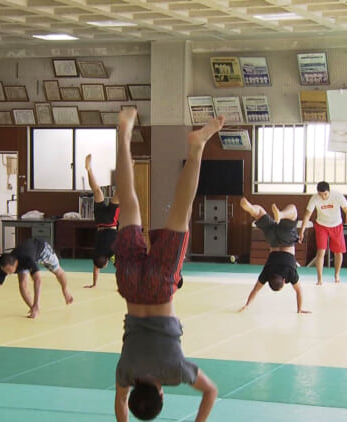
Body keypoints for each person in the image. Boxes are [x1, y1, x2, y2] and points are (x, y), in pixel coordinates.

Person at [113, 109, 219, 422]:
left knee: (180, 211)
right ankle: (123, 134)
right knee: (129, 202)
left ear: (162, 393)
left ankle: (197, 147)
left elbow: (210, 392)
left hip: (160, 289)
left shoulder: (175, 373)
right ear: (135, 391)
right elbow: (120, 405)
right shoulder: (125, 374)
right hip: (130, 286)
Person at [238, 198, 310, 314]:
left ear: (284, 280)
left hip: (286, 240)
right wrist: (247, 304)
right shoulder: (267, 273)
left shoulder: (290, 273)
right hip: (272, 239)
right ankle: (252, 209)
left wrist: (299, 309)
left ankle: (281, 215)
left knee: (294, 210)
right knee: (260, 213)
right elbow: (255, 290)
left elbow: (298, 291)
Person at [0, 237, 73, 319]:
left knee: (57, 271)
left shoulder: (27, 259)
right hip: (26, 255)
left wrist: (37, 303)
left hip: (42, 249)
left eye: (9, 271)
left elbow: (38, 280)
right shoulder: (5, 266)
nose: (8, 274)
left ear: (15, 264)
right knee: (22, 284)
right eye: (6, 271)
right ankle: (33, 309)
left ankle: (65, 290)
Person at [298, 181, 347, 285]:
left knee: (338, 252)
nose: (323, 197)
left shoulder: (337, 196)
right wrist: (302, 231)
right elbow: (307, 215)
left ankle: (337, 275)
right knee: (321, 252)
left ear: (329, 191)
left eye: (325, 194)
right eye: (320, 194)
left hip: (336, 225)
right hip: (321, 226)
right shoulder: (315, 198)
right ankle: (319, 279)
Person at [84, 153, 120, 288]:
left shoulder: (111, 254)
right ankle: (89, 169)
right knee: (97, 191)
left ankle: (130, 170)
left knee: (119, 193)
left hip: (111, 221)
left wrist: (120, 286)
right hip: (100, 221)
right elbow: (96, 269)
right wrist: (94, 283)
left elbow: (119, 270)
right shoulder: (96, 253)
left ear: (106, 262)